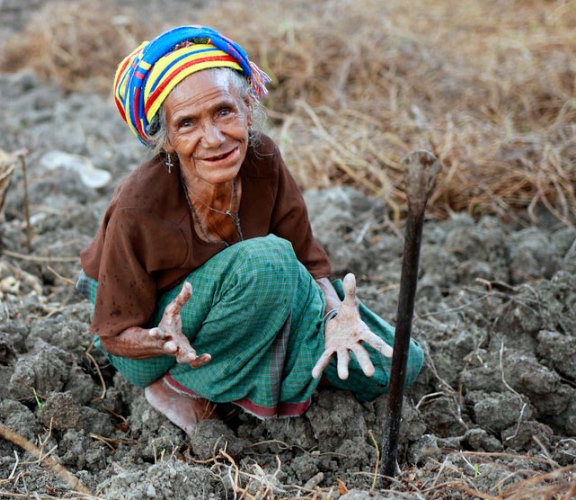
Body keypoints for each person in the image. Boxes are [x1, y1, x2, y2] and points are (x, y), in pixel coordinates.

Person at [77, 25, 423, 435]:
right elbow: (116, 334)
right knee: (270, 261)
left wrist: (334, 316)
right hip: (153, 333)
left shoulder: (263, 160)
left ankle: (248, 361)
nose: (214, 138)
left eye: (224, 111)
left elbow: (309, 270)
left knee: (395, 363)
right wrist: (160, 339)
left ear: (247, 106)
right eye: (187, 124)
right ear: (167, 140)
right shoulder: (139, 205)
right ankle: (178, 387)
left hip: (247, 294)